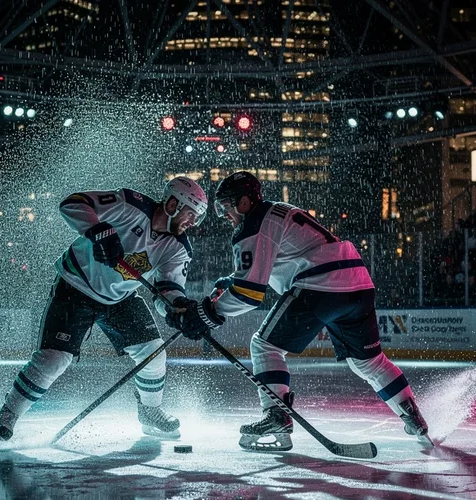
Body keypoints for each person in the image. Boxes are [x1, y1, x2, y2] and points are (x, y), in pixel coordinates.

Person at [168, 171, 430, 452]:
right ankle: (412, 416)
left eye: (226, 207)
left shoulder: (251, 225)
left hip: (320, 285)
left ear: (244, 202)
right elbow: (271, 264)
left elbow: (249, 294)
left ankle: (276, 415)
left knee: (264, 345)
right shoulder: (279, 210)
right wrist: (228, 283)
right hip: (358, 283)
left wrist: (207, 314)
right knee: (369, 362)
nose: (224, 215)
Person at [0, 176, 208, 447]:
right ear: (173, 203)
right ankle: (8, 414)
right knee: (53, 360)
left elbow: (167, 290)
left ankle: (150, 411)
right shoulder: (130, 205)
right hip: (75, 286)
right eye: (191, 214)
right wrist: (100, 231)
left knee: (154, 354)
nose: (193, 222)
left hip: (121, 297)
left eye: (197, 217)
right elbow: (72, 204)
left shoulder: (178, 248)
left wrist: (178, 311)